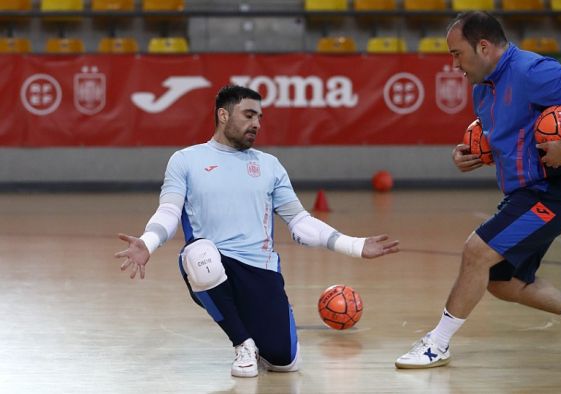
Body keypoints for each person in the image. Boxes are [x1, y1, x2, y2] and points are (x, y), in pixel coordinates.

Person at [115, 84, 400, 378]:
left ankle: (261, 336)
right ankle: (242, 344)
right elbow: (169, 211)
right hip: (214, 264)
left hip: (260, 269)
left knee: (285, 362)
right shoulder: (186, 160)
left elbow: (300, 221)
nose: (257, 124)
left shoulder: (270, 166)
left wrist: (354, 245)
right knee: (199, 255)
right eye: (249, 115)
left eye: (260, 117)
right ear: (223, 115)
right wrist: (148, 242)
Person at [395, 11, 561, 369]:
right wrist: (469, 152)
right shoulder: (481, 89)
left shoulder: (532, 72)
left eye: (456, 53)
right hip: (526, 194)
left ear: (483, 46)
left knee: (477, 251)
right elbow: (497, 136)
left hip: (557, 193)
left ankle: (437, 344)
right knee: (504, 282)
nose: (454, 64)